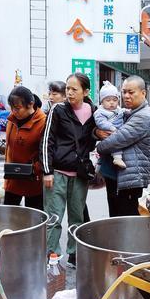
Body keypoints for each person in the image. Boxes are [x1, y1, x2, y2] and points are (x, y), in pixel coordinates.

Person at [40, 73, 97, 267]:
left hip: (79, 175)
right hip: (57, 172)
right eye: (68, 89)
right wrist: (47, 171)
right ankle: (52, 255)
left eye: (74, 89)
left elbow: (93, 139)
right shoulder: (58, 110)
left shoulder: (94, 112)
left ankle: (74, 254)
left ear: (86, 91)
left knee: (77, 217)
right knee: (54, 217)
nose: (70, 93)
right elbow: (47, 141)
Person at [97, 76, 150, 216]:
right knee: (117, 217)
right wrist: (97, 132)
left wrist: (99, 146)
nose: (126, 96)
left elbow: (116, 140)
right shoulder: (129, 112)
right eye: (124, 92)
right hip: (123, 177)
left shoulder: (143, 116)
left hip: (131, 179)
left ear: (143, 93)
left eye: (131, 92)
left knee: (124, 220)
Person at [4, 86, 47, 210]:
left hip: (34, 179)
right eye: (11, 108)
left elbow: (46, 152)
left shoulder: (43, 122)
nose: (14, 111)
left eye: (17, 108)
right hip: (13, 177)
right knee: (9, 215)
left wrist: (35, 168)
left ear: (31, 104)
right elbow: (8, 149)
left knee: (33, 217)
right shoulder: (11, 120)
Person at [94, 81, 127, 169]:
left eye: (115, 100)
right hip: (109, 132)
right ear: (102, 102)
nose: (112, 102)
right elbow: (100, 122)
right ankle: (117, 158)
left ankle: (101, 164)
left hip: (118, 131)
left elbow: (123, 111)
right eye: (108, 100)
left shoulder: (118, 110)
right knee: (115, 143)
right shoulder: (100, 112)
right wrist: (111, 127)